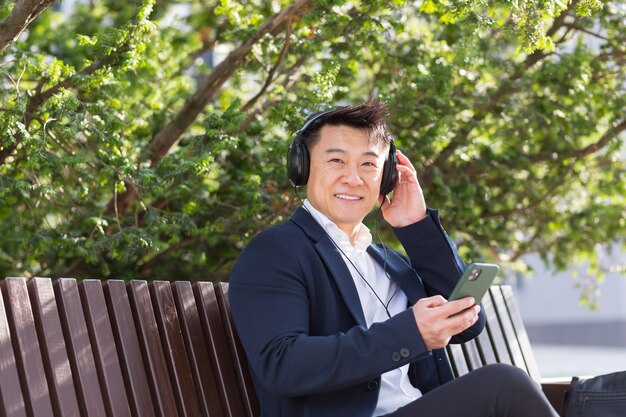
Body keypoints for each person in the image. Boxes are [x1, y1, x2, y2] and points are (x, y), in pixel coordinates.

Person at [229, 102, 558, 417]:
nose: (354, 178)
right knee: (504, 385)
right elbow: (282, 365)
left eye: (369, 164)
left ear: (387, 177)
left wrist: (416, 226)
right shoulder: (276, 251)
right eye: (336, 161)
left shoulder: (387, 260)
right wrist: (409, 333)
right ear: (302, 167)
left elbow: (467, 325)